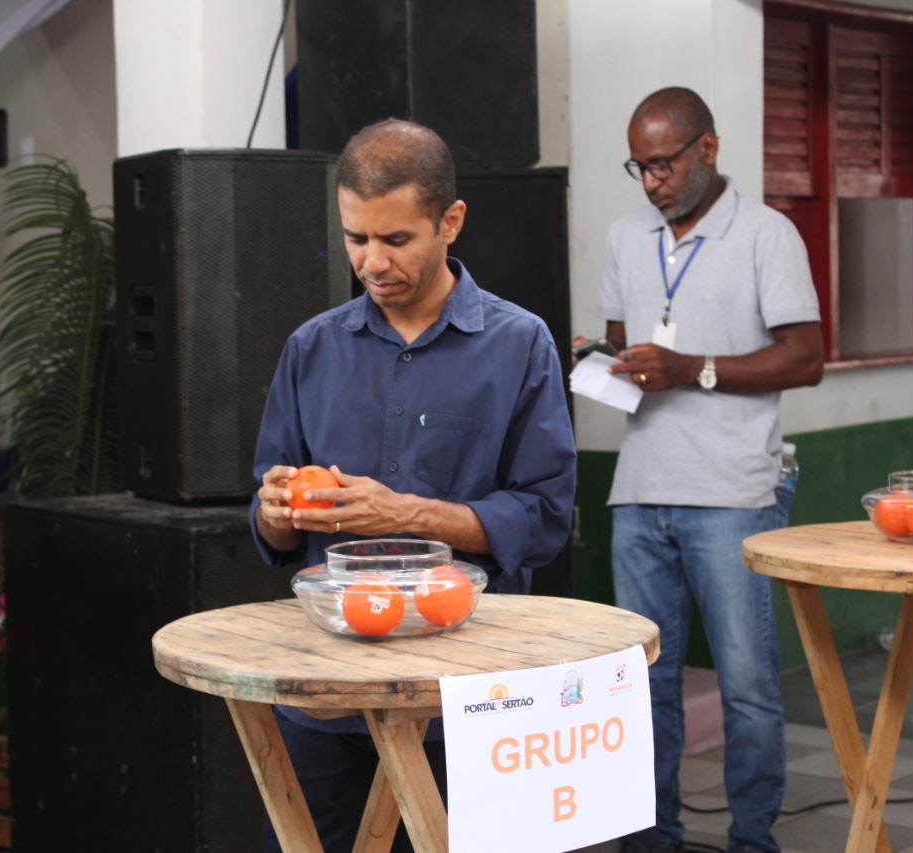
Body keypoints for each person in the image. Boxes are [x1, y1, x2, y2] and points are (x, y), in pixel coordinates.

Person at [250, 118, 577, 852]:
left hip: (467, 691)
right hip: (326, 695)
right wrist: (273, 510)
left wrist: (407, 514)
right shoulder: (311, 348)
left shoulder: (520, 345)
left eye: (396, 240)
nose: (372, 261)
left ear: (450, 221)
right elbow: (271, 528)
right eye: (355, 237)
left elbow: (545, 516)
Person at [579, 87, 824, 853]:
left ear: (706, 150)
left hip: (733, 494)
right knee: (645, 685)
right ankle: (651, 838)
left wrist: (694, 368)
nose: (651, 182)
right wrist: (603, 364)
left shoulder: (766, 235)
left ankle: (754, 840)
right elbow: (627, 347)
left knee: (748, 689)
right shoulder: (626, 236)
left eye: (662, 163)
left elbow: (806, 358)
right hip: (640, 491)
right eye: (638, 167)